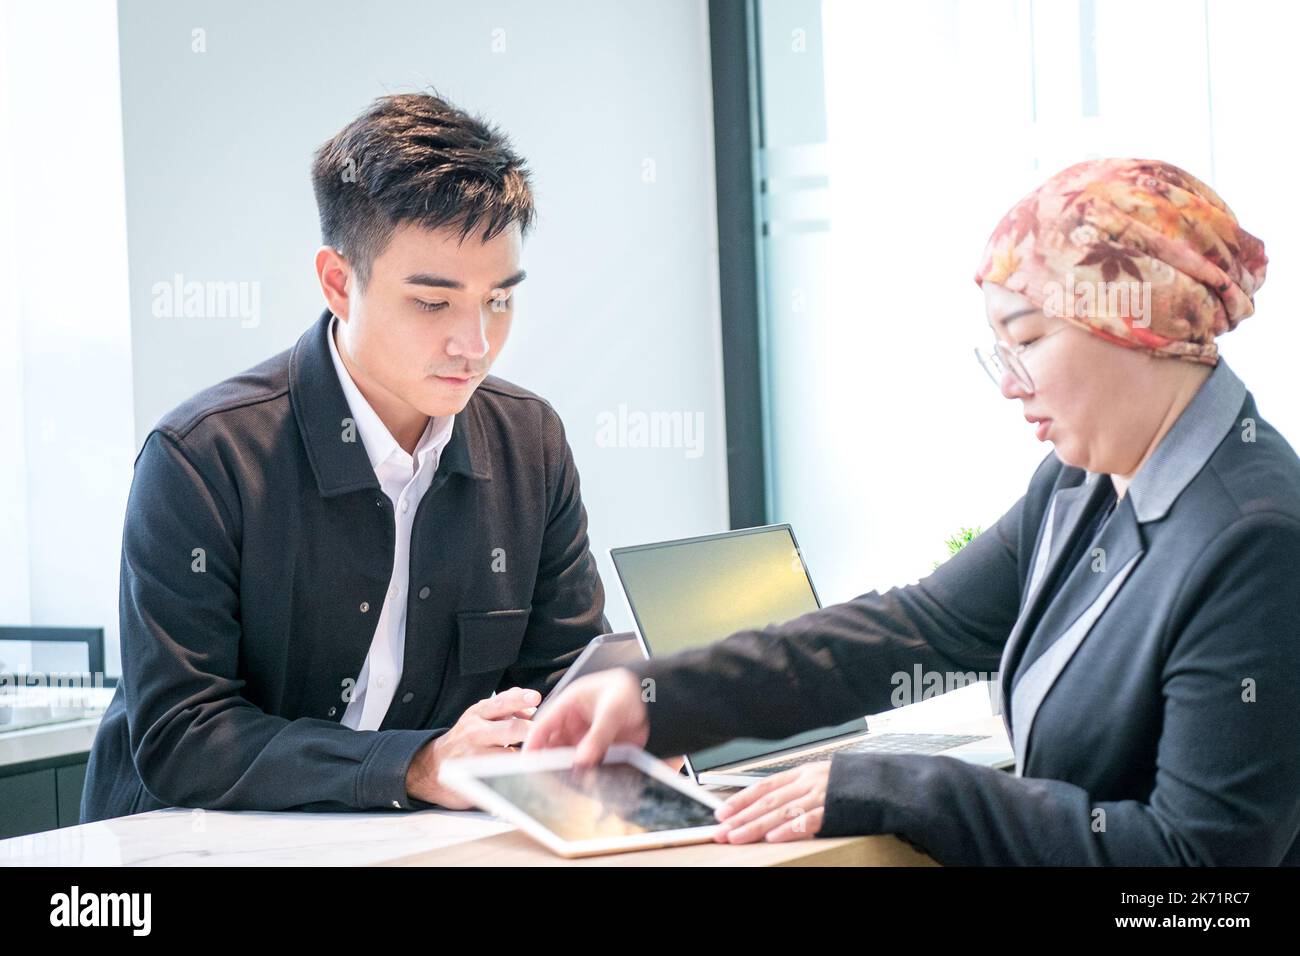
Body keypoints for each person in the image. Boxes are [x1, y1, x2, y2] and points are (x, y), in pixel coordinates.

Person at [527, 158, 1300, 865]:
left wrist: (908, 787)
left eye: (1027, 340)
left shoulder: (1255, 538)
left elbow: (1200, 875)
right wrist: (655, 699)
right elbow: (919, 631)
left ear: (1139, 327)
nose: (1010, 383)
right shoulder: (1081, 487)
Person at [81, 92, 608, 822]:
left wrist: (622, 727)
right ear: (338, 283)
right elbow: (184, 736)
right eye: (433, 303)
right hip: (189, 848)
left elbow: (566, 670)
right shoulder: (202, 457)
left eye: (498, 300)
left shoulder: (531, 443)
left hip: (408, 843)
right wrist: (416, 766)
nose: (475, 343)